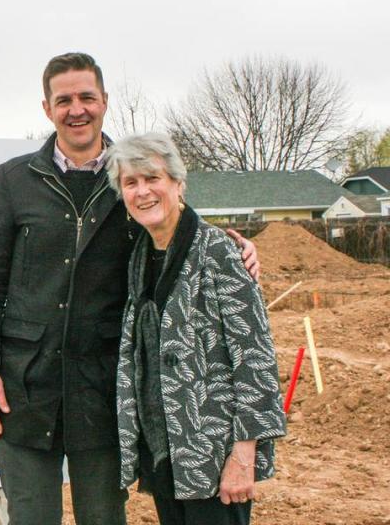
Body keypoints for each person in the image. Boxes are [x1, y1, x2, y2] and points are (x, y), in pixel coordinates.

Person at [0, 52, 260, 525]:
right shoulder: (16, 180)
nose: (76, 109)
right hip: (24, 388)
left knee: (103, 517)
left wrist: (232, 242)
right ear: (47, 108)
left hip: (102, 391)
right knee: (30, 517)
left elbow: (177, 225)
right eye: (64, 100)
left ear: (105, 101)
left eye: (87, 97)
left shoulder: (130, 173)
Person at [106, 132, 286, 525]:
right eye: (130, 182)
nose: (143, 191)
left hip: (216, 453)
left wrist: (243, 456)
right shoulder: (139, 255)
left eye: (153, 178)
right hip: (166, 450)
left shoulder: (218, 251)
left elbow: (255, 358)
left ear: (177, 182)